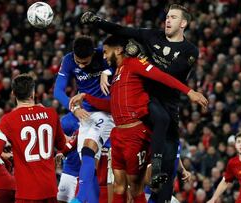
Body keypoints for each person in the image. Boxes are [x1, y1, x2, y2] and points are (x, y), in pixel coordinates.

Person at [81, 4, 201, 200]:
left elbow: (172, 74)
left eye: (173, 17)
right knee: (131, 180)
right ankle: (154, 168)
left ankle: (159, 181)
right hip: (146, 103)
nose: (167, 20)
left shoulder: (190, 50)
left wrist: (144, 60)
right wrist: (97, 22)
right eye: (167, 16)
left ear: (184, 23)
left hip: (169, 103)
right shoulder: (153, 36)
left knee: (166, 174)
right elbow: (123, 31)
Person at [0, 74, 76, 203]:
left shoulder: (7, 120)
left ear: (13, 93)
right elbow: (62, 145)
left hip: (26, 192)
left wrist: (6, 155)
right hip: (49, 188)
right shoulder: (51, 113)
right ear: (33, 92)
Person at [53, 35, 115, 203]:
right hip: (84, 113)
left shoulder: (104, 55)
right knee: (88, 162)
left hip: (106, 112)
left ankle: (79, 199)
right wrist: (74, 108)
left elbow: (124, 63)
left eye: (85, 63)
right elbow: (58, 91)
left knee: (89, 149)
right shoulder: (68, 60)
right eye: (78, 62)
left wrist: (107, 71)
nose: (81, 65)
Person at [56, 113, 80, 203]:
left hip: (88, 174)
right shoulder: (66, 121)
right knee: (61, 200)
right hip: (70, 171)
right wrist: (60, 152)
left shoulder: (97, 116)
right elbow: (59, 140)